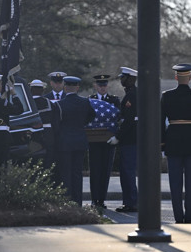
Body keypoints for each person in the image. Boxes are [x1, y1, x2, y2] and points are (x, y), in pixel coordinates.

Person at [56, 76, 96, 206]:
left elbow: (56, 122)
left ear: (65, 87)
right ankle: (78, 202)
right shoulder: (85, 102)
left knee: (66, 173)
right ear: (77, 88)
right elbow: (92, 115)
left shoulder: (59, 104)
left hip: (64, 142)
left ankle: (67, 202)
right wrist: (81, 124)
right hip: (80, 141)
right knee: (77, 173)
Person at [161, 63, 191, 223]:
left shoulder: (167, 96)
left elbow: (160, 122)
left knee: (175, 184)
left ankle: (178, 217)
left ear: (176, 77)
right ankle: (190, 218)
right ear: (190, 77)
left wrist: (161, 144)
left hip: (173, 141)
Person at [107, 67, 138, 212]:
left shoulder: (131, 96)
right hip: (131, 139)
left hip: (130, 140)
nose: (121, 80)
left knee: (127, 172)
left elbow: (129, 120)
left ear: (129, 79)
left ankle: (131, 203)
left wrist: (117, 137)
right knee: (127, 172)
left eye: (123, 78)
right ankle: (131, 202)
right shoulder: (131, 94)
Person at [89, 74, 120, 209]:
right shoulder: (90, 100)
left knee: (105, 171)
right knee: (94, 171)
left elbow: (119, 118)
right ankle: (94, 199)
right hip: (94, 141)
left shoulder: (114, 100)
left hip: (108, 141)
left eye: (104, 85)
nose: (102, 88)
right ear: (96, 86)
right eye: (100, 85)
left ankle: (101, 199)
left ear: (108, 86)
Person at [29, 79, 58, 170]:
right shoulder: (49, 103)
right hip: (48, 133)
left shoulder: (27, 103)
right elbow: (55, 121)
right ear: (42, 90)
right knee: (48, 158)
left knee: (33, 158)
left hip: (31, 134)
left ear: (30, 90)